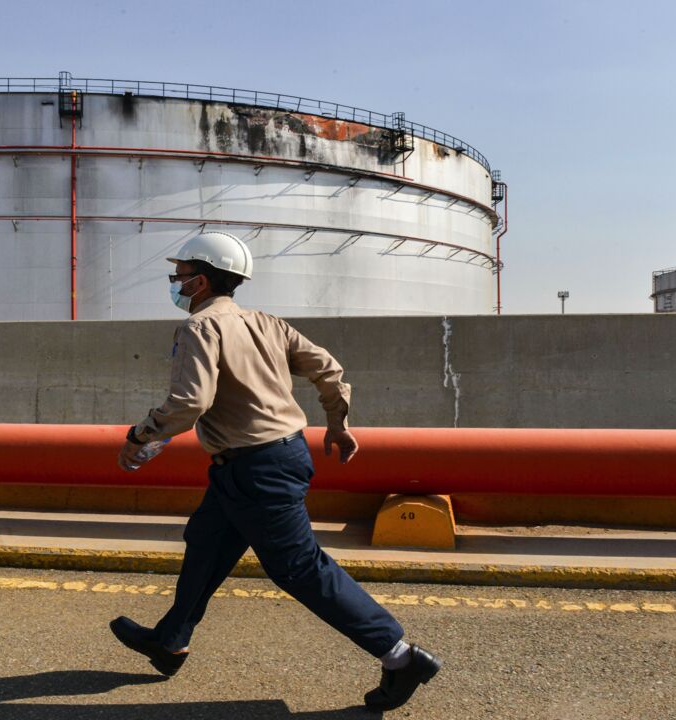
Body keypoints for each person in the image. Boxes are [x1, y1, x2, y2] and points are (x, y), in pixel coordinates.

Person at [110, 231, 440, 712]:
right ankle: (171, 639)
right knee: (206, 541)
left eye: (178, 276)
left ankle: (399, 656)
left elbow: (189, 403)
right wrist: (337, 423)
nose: (175, 284)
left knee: (299, 568)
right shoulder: (267, 324)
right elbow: (328, 368)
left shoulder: (199, 328)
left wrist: (140, 436)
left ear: (200, 281)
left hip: (255, 468)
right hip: (267, 459)